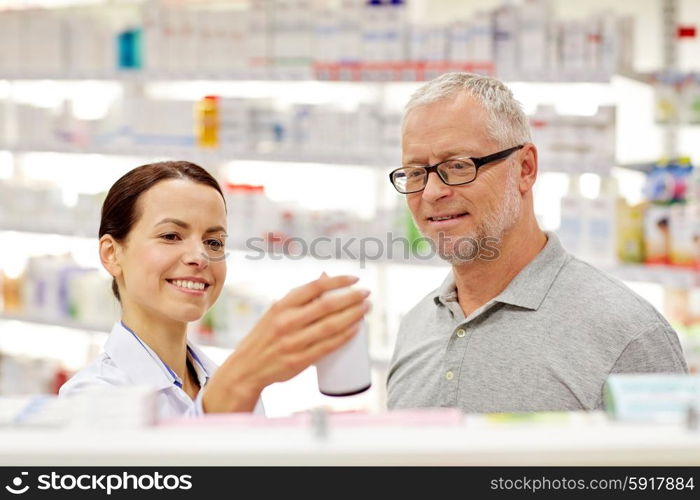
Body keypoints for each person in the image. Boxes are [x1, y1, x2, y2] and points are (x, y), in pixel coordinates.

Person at [386, 72, 688, 413]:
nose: (431, 192)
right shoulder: (415, 326)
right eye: (414, 172)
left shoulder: (628, 334)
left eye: (458, 166)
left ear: (525, 169)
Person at [59, 161, 370, 418]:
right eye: (171, 236)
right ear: (112, 255)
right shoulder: (90, 398)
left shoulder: (218, 379)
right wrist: (243, 378)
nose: (200, 257)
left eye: (213, 242)